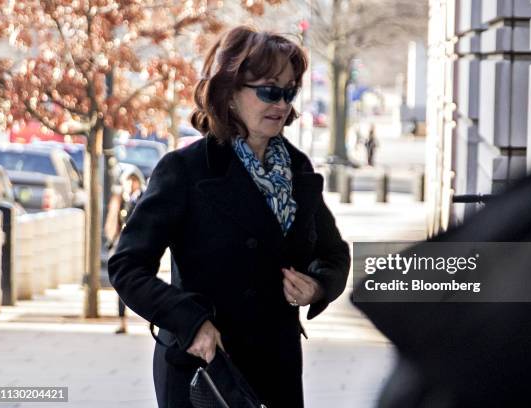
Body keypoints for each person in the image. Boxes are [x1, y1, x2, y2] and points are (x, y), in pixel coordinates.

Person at [108, 26, 350, 408]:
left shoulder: (297, 170)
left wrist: (318, 287)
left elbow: (335, 254)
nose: (282, 104)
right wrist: (190, 322)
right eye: (270, 90)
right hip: (205, 367)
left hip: (276, 366)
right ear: (230, 93)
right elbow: (126, 267)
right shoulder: (185, 170)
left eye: (289, 92)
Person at [104, 169, 144, 334]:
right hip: (121, 246)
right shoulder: (121, 200)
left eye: (131, 181)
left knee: (140, 284)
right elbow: (114, 222)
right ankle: (122, 321)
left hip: (137, 248)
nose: (129, 185)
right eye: (126, 182)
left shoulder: (143, 199)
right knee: (120, 283)